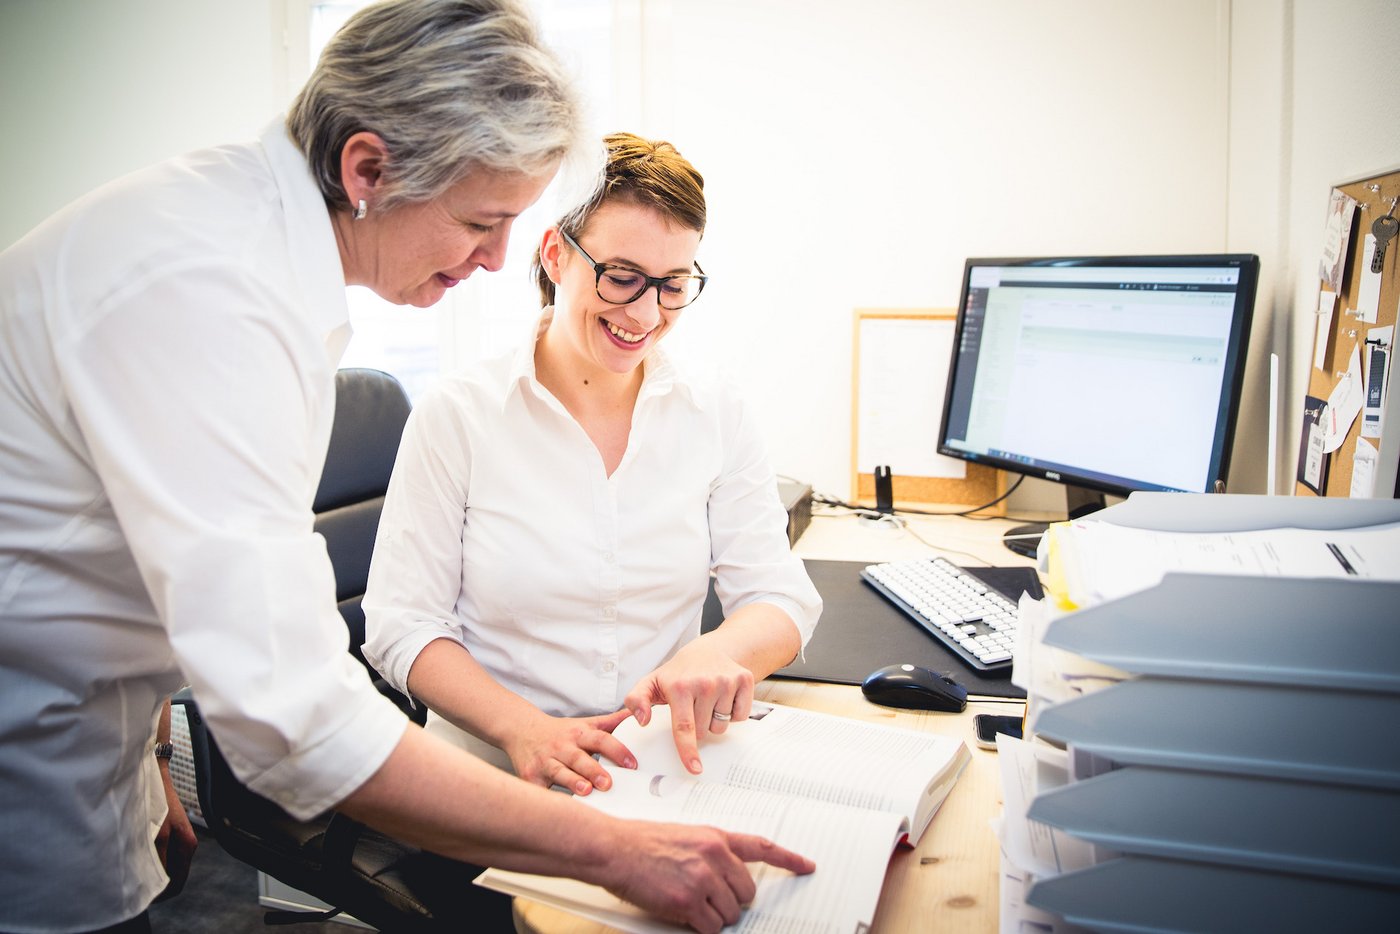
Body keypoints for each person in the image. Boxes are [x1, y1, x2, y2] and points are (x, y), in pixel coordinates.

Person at [0, 3, 812, 933]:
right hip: (25, 798)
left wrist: (145, 769)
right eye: (481, 219)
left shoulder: (247, 255)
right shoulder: (206, 293)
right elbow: (292, 716)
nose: (500, 259)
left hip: (89, 761)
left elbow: (125, 546)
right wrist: (615, 850)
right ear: (368, 169)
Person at [361, 133, 823, 797]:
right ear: (555, 255)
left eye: (672, 285)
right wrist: (525, 729)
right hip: (493, 776)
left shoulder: (712, 409)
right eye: (622, 276)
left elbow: (779, 596)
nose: (645, 313)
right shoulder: (459, 415)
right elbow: (402, 627)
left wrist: (714, 652)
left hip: (655, 771)